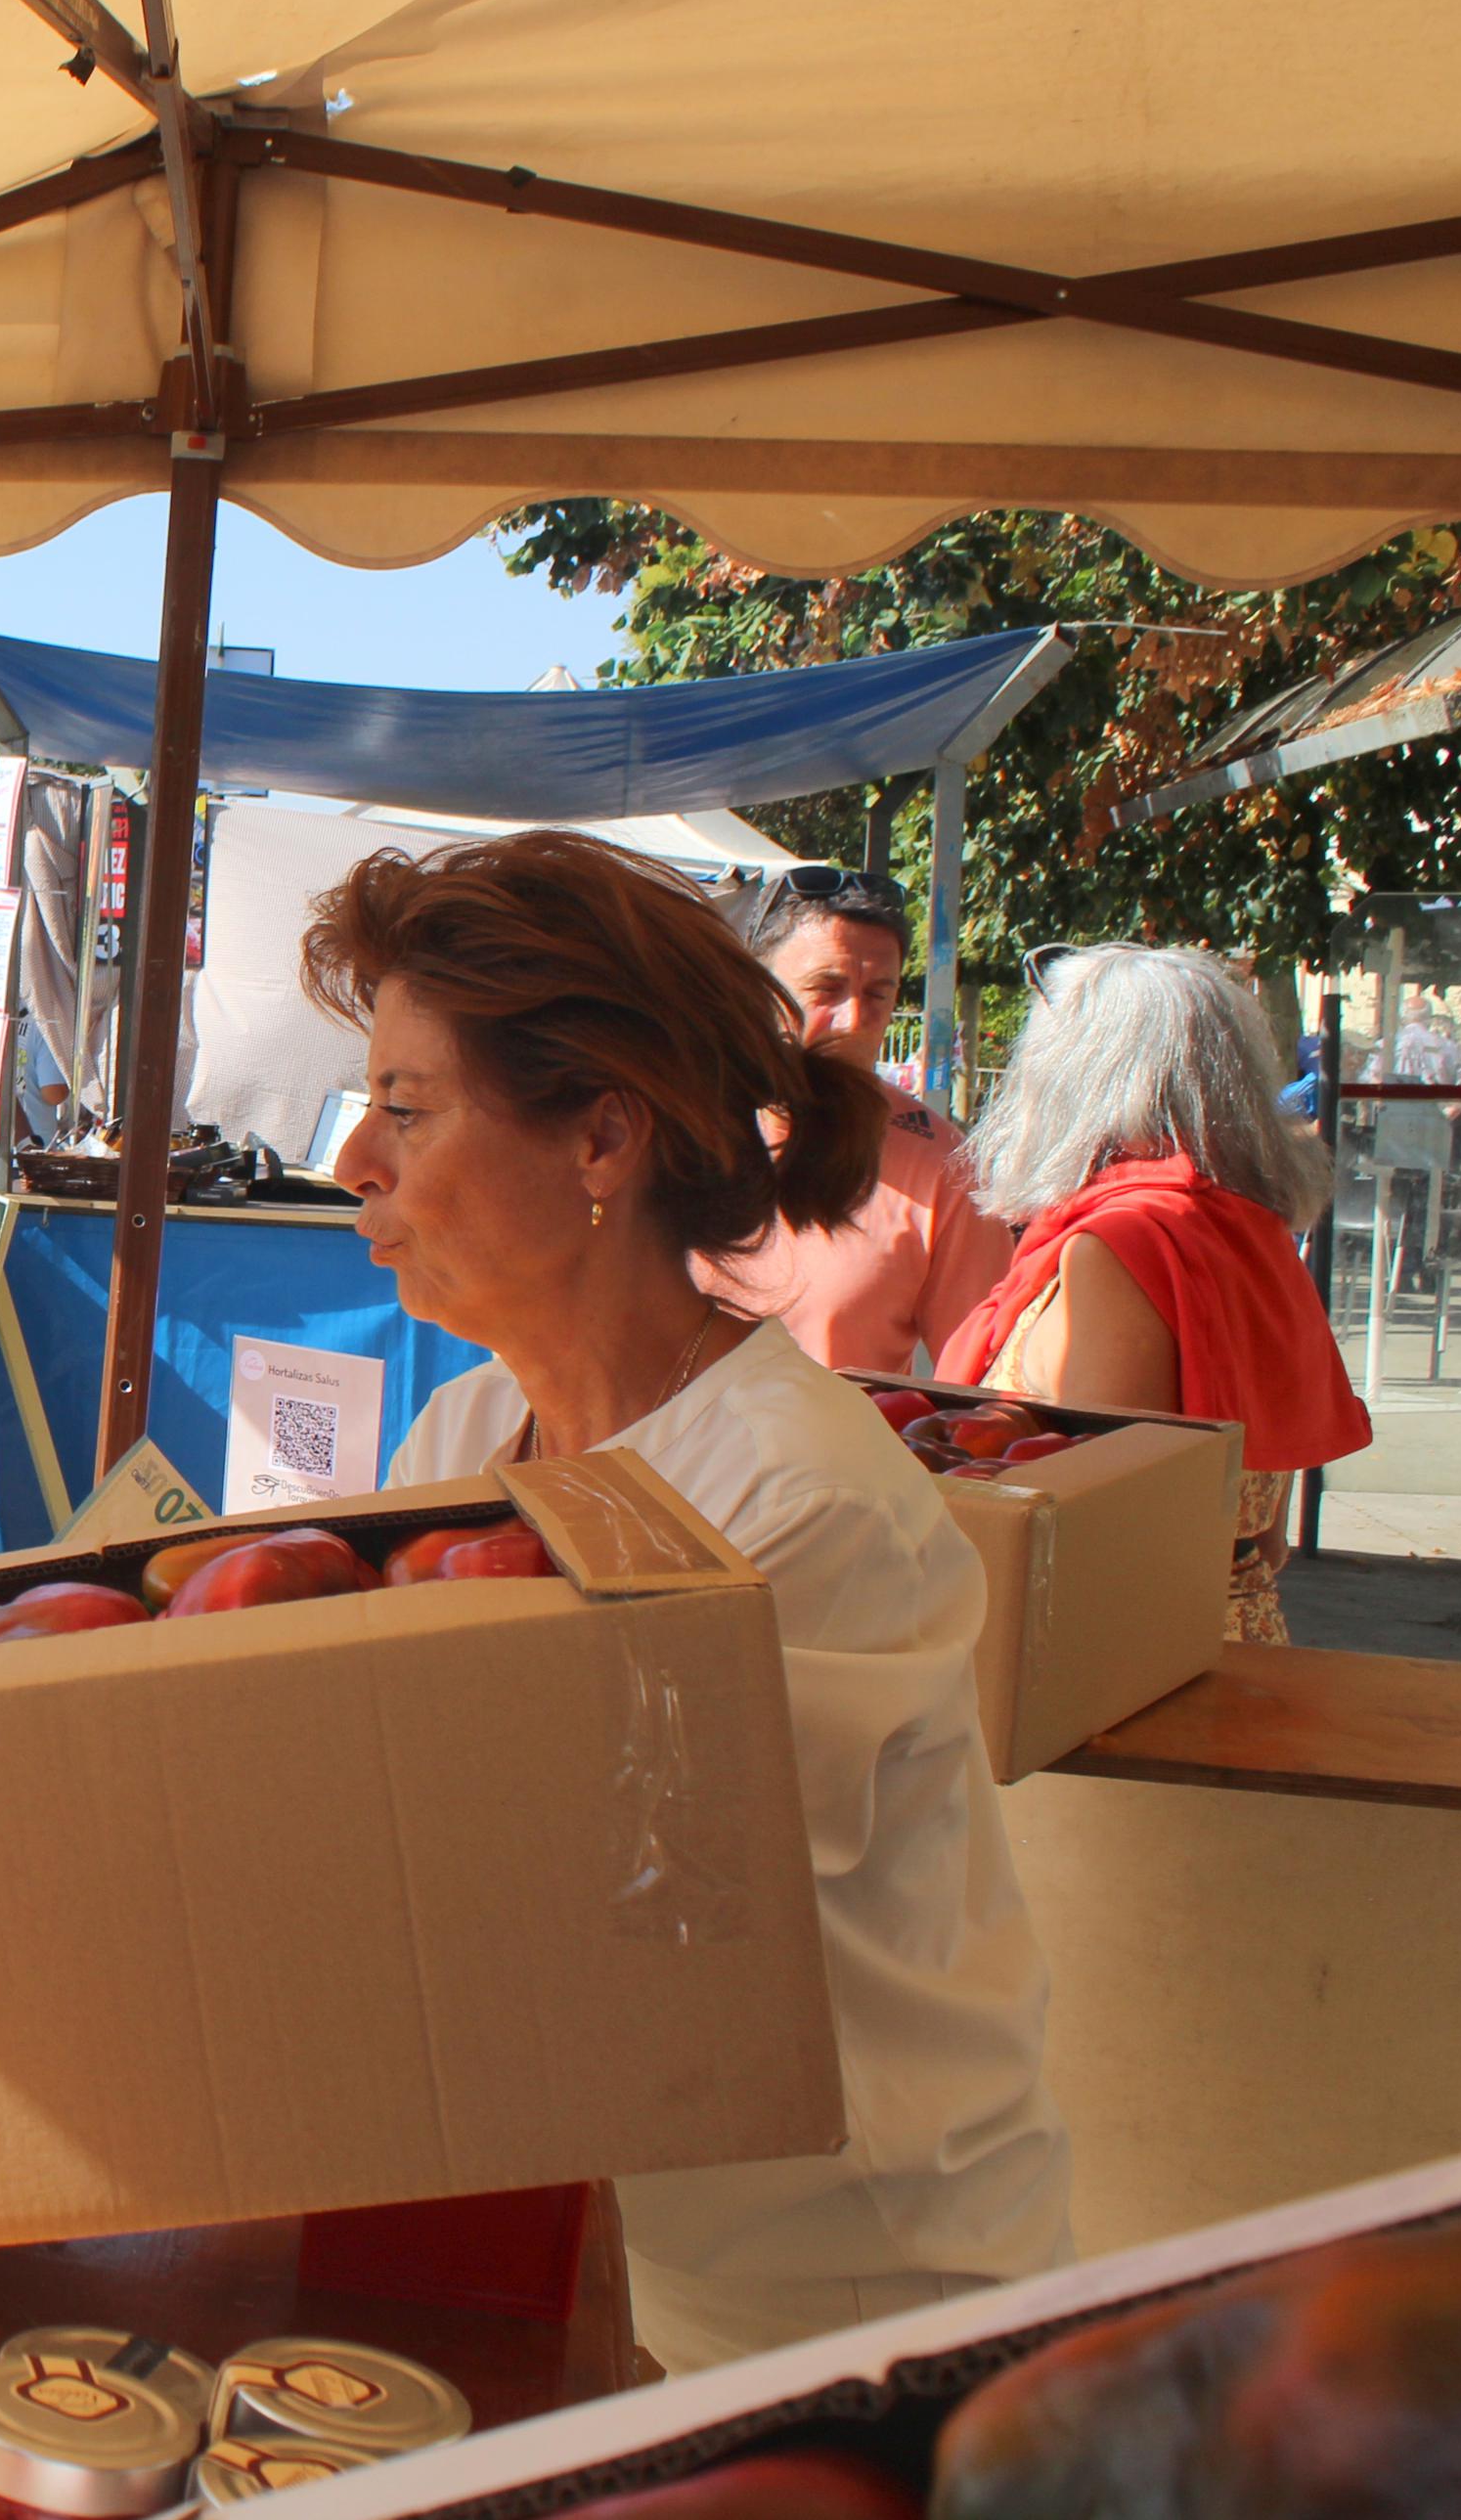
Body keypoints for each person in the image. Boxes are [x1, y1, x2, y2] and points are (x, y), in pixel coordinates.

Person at [313, 828, 1069, 2376]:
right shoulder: (460, 1439)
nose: (353, 1163)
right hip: (581, 2257)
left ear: (602, 1138)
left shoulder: (797, 1498)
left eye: (405, 1106)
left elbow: (619, 1926)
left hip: (836, 2325)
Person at [945, 945, 1372, 1648]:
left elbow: (1101, 1533)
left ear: (1072, 1078)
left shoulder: (1117, 1246)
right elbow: (1267, 1540)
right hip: (1236, 1638)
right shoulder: (1252, 1234)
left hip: (1123, 1661)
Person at [706, 868, 1014, 1375]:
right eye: (826, 988)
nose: (853, 1021)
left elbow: (982, 1387)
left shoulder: (943, 1169)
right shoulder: (675, 1130)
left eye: (877, 994)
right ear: (755, 991)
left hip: (845, 1432)